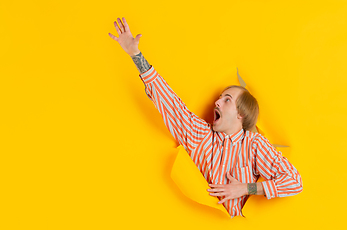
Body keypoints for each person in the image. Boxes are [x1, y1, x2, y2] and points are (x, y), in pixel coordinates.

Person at [109, 17, 303, 217]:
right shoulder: (199, 134)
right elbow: (168, 100)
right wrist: (135, 54)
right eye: (219, 98)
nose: (217, 103)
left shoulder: (254, 145)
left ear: (241, 114)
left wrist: (247, 188)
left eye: (227, 100)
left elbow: (294, 182)